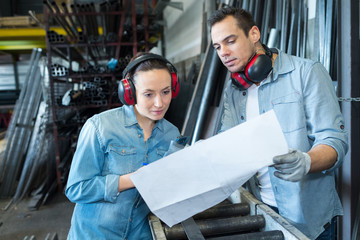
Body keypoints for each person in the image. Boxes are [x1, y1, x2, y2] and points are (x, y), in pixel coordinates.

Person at [208, 7, 348, 240]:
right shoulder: (234, 91)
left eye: (230, 41)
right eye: (217, 47)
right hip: (261, 212)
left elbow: (335, 141)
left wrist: (306, 161)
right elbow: (228, 144)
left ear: (254, 34)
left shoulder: (306, 73)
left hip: (309, 219)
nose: (223, 53)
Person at [65, 52, 181, 239]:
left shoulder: (172, 135)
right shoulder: (100, 127)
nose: (160, 103)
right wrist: (134, 179)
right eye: (148, 94)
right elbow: (76, 189)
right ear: (129, 92)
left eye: (166, 92)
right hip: (93, 235)